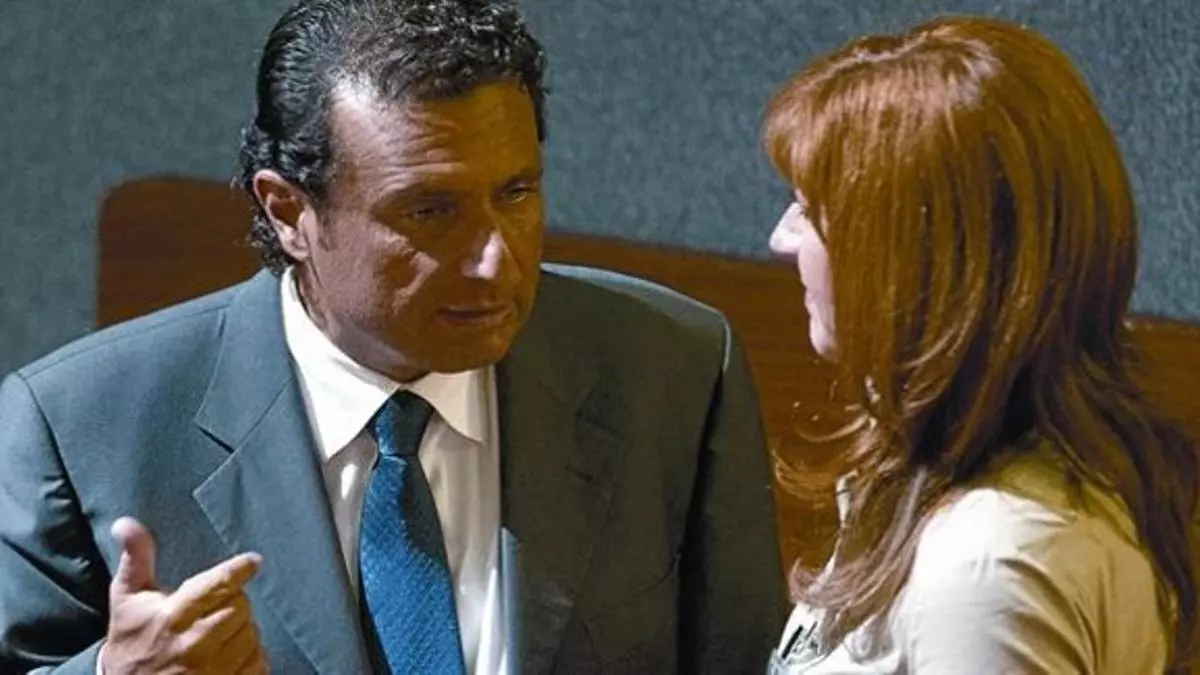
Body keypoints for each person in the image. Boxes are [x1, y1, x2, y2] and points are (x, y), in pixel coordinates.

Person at [0, 1, 786, 672]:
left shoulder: (674, 371)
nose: (496, 258)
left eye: (516, 193)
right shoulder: (76, 425)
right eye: (430, 211)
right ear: (288, 212)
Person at [761, 14, 1200, 675]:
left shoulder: (986, 566)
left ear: (912, 260)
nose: (782, 239)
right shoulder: (953, 494)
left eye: (810, 210)